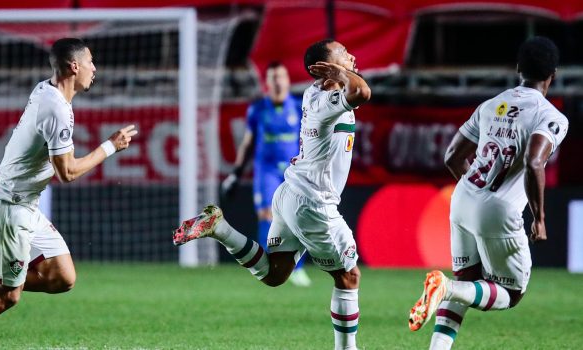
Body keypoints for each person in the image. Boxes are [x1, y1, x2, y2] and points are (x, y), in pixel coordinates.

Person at [0, 38, 138, 350]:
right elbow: (68, 173)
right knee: (4, 299)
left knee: (62, 277)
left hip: (25, 204)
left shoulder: (47, 91)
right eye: (90, 62)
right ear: (74, 66)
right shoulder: (56, 109)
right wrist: (110, 146)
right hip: (9, 208)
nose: (95, 68)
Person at [175, 39, 370, 350]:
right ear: (324, 68)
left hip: (290, 193)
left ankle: (221, 229)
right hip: (313, 203)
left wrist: (337, 70)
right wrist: (338, 71)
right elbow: (362, 91)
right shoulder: (324, 101)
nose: (351, 55)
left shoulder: (313, 93)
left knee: (275, 274)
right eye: (343, 53)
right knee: (348, 277)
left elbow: (353, 88)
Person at [407, 36, 568, 350]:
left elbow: (452, 157)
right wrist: (540, 218)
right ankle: (445, 288)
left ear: (518, 68)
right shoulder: (551, 116)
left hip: (463, 197)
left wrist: (475, 192)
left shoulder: (491, 105)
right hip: (499, 210)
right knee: (512, 293)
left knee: (467, 284)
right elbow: (536, 162)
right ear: (553, 76)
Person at [221, 61, 311, 287]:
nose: (278, 81)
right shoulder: (258, 109)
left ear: (288, 80)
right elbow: (248, 143)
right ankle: (265, 267)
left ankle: (296, 270)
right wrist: (236, 173)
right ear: (267, 83)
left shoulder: (300, 107)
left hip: (293, 171)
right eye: (273, 77)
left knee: (298, 218)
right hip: (266, 170)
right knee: (266, 216)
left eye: (281, 76)